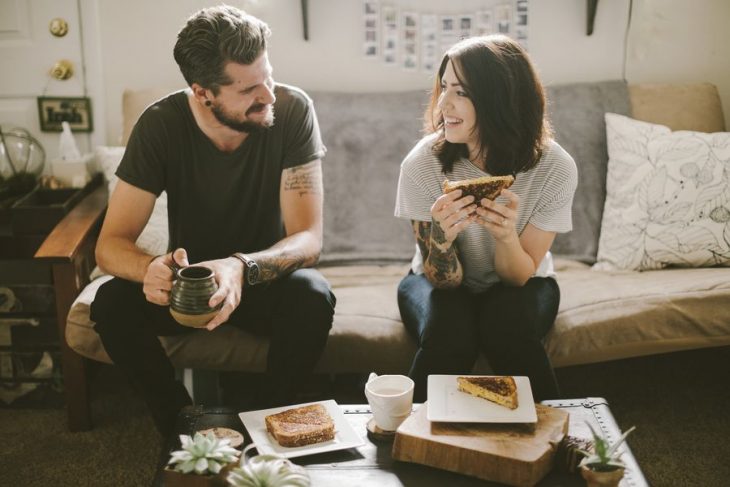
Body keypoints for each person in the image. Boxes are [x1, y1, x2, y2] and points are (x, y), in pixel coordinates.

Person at [90, 5, 335, 435]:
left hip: (262, 280)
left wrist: (242, 266)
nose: (270, 96)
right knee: (110, 303)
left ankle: (266, 424)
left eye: (269, 77)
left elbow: (308, 239)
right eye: (249, 90)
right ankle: (181, 421)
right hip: (190, 288)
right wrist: (148, 269)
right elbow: (110, 243)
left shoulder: (294, 111)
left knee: (313, 297)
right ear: (203, 92)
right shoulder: (160, 125)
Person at [394, 35, 578, 402]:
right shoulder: (421, 164)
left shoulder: (555, 167)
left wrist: (506, 236)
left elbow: (518, 276)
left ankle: (552, 445)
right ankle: (403, 441)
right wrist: (443, 239)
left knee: (506, 326)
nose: (443, 103)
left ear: (501, 99)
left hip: (524, 281)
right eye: (443, 87)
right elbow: (442, 281)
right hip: (433, 281)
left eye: (461, 92)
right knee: (450, 331)